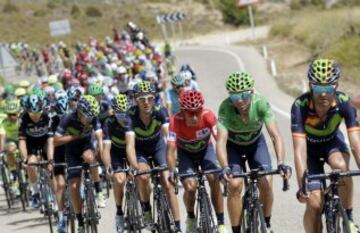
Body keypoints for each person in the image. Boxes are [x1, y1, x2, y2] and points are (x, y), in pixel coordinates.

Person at [291, 59, 360, 233]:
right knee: (314, 204)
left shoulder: (345, 103)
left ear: (336, 86)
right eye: (318, 88)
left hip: (332, 145)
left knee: (341, 167)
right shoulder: (300, 106)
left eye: (328, 88)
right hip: (310, 151)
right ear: (310, 85)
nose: (323, 94)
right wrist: (302, 186)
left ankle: (348, 218)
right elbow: (299, 150)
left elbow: (356, 144)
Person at [216, 71, 290, 233]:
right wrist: (225, 166)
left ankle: (267, 223)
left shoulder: (261, 103)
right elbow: (221, 141)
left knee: (266, 182)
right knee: (235, 184)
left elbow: (275, 135)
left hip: (256, 145)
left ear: (251, 91)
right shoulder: (225, 107)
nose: (240, 101)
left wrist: (281, 163)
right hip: (233, 147)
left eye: (243, 95)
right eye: (235, 97)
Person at [167, 89, 228, 233]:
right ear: (182, 111)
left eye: (197, 111)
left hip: (205, 150)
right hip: (185, 154)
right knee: (190, 187)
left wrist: (225, 165)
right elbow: (170, 150)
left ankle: (221, 223)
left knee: (214, 178)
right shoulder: (175, 121)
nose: (195, 117)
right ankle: (191, 217)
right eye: (190, 113)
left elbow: (220, 141)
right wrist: (171, 170)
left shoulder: (208, 116)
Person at [128, 81, 181, 232]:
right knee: (143, 177)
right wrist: (134, 166)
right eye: (141, 99)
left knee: (168, 183)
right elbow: (130, 145)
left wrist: (173, 165)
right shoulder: (130, 116)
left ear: (154, 98)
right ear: (135, 100)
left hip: (158, 146)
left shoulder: (161, 111)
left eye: (150, 98)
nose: (146, 102)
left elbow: (169, 140)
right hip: (139, 150)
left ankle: (177, 226)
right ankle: (146, 209)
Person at [54, 95, 106, 233]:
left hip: (85, 146)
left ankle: (98, 189)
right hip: (71, 150)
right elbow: (55, 141)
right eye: (87, 117)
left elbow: (100, 136)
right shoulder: (68, 118)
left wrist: (100, 153)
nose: (89, 120)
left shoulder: (93, 117)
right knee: (74, 186)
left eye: (92, 118)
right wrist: (74, 136)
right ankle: (80, 220)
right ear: (80, 112)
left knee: (91, 158)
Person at [102, 94, 138, 233]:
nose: (122, 116)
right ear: (113, 112)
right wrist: (108, 166)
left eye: (124, 113)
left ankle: (142, 205)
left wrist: (134, 166)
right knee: (119, 179)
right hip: (116, 153)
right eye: (119, 113)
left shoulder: (132, 120)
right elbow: (106, 149)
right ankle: (119, 212)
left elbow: (131, 146)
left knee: (140, 175)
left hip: (133, 150)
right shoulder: (108, 122)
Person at [18, 94, 55, 209]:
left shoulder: (47, 116)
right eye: (32, 114)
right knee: (30, 164)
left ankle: (56, 196)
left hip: (45, 141)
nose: (35, 117)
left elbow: (50, 141)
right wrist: (24, 159)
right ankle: (35, 192)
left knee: (50, 168)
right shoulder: (23, 118)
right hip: (31, 143)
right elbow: (22, 141)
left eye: (37, 113)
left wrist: (50, 160)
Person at [0, 99, 21, 195]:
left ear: (17, 113)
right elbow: (2, 137)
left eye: (14, 114)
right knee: (10, 149)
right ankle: (13, 172)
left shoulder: (21, 121)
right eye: (9, 114)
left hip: (21, 140)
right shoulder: (4, 123)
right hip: (10, 142)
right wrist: (1, 150)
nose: (12, 116)